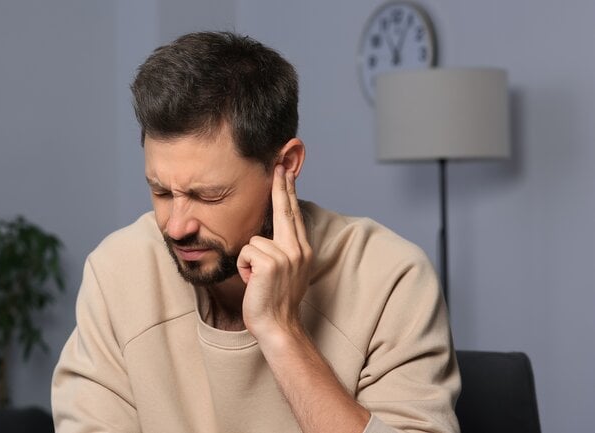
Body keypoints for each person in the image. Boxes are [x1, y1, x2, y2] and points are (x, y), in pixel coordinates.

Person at [52, 31, 460, 433]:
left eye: (208, 195)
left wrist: (282, 332)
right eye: (160, 191)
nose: (176, 226)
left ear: (286, 164)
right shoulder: (117, 271)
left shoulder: (390, 279)